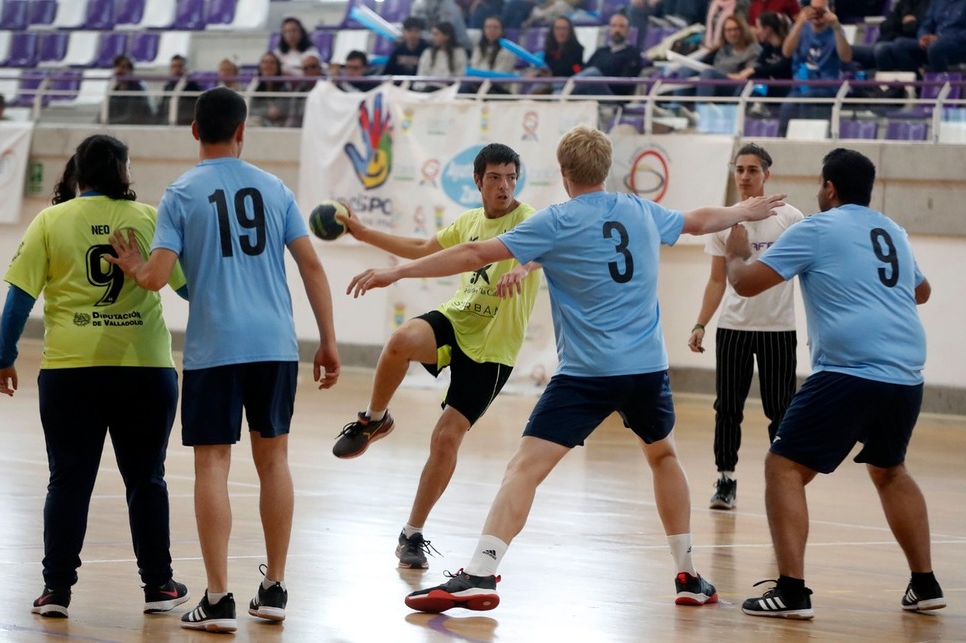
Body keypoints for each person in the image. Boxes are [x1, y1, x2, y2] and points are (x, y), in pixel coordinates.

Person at [347, 125, 786, 613]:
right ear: (606, 169)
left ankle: (481, 572)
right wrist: (741, 211)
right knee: (663, 457)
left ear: (563, 173)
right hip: (646, 370)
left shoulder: (555, 221)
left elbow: (473, 254)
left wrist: (396, 271)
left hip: (587, 373)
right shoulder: (639, 210)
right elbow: (698, 220)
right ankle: (687, 574)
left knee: (525, 468)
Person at [106, 87, 341, 632]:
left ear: (193, 130)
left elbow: (159, 278)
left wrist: (136, 266)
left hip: (217, 349)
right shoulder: (275, 187)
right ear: (243, 131)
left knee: (213, 464)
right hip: (276, 344)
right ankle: (276, 588)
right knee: (274, 461)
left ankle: (217, 598)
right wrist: (327, 339)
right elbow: (311, 267)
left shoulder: (182, 192)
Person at [726, 148, 944, 619]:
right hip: (905, 373)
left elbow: (745, 284)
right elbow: (922, 292)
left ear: (829, 188)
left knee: (782, 467)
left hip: (849, 370)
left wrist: (736, 257)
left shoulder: (817, 229)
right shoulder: (892, 230)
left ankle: (791, 591)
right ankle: (925, 585)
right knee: (890, 470)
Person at [0, 135, 190, 619]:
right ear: (123, 171)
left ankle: (56, 591)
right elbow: (189, 291)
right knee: (147, 480)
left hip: (69, 372)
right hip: (145, 369)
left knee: (67, 482)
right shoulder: (149, 218)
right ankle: (158, 586)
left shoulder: (49, 221)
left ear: (77, 172)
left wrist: (4, 357)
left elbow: (20, 297)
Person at [332, 144, 541, 570]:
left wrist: (524, 267)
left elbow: (544, 251)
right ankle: (375, 418)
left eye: (511, 177)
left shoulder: (530, 220)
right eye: (496, 178)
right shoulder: (468, 222)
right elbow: (422, 247)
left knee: (446, 438)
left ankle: (412, 534)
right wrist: (363, 233)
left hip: (493, 349)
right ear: (478, 181)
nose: (504, 186)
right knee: (400, 341)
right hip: (458, 319)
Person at [688, 143, 803, 510]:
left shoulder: (791, 218)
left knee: (780, 408)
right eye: (739, 169)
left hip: (778, 329)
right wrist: (701, 323)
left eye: (753, 170)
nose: (745, 176)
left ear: (766, 175)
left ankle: (782, 481)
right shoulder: (724, 221)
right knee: (727, 407)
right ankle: (726, 480)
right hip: (734, 328)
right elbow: (717, 281)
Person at [777, 0, 852, 137]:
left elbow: (846, 57)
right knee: (787, 106)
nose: (817, 14)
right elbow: (786, 52)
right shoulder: (801, 29)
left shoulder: (836, 31)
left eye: (821, 10)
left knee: (808, 99)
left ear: (831, 11)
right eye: (814, 9)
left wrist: (836, 27)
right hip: (800, 87)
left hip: (826, 87)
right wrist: (799, 23)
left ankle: (809, 139)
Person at [876, 0, 965, 73]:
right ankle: (916, 83)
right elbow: (926, 24)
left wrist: (942, 38)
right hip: (936, 41)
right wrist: (923, 36)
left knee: (934, 47)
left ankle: (941, 83)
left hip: (958, 43)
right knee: (899, 43)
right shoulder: (938, 2)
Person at [568, 12, 643, 96]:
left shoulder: (633, 54)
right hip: (590, 93)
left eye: (621, 26)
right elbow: (584, 71)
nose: (617, 30)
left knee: (593, 73)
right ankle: (563, 89)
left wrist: (599, 80)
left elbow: (625, 85)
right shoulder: (600, 51)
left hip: (613, 96)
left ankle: (564, 91)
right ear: (610, 30)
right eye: (614, 26)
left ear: (628, 31)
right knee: (588, 74)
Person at [851, 0, 930, 71]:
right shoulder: (903, 4)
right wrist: (901, 22)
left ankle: (884, 85)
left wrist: (900, 23)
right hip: (882, 42)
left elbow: (912, 28)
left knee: (881, 49)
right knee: (845, 50)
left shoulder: (928, 5)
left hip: (903, 45)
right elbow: (884, 26)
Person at [467, 15, 519, 93]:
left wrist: (480, 76)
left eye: (495, 27)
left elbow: (500, 76)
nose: (491, 30)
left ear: (502, 30)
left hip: (498, 88)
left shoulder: (508, 50)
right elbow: (474, 68)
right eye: (488, 27)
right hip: (478, 84)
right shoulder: (479, 48)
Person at [414, 22, 468, 92]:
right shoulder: (428, 53)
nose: (433, 37)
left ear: (446, 36)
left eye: (436, 34)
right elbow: (422, 74)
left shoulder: (459, 52)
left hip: (449, 90)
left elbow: (460, 74)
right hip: (428, 88)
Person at [156, 54, 204, 126]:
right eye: (173, 67)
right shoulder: (168, 86)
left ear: (185, 68)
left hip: (185, 125)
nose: (176, 69)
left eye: (179, 66)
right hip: (166, 124)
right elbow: (162, 107)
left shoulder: (193, 86)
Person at [106, 55, 154, 125]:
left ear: (130, 70)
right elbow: (105, 113)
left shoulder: (137, 89)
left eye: (123, 67)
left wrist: (108, 123)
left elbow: (131, 117)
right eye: (117, 66)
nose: (119, 70)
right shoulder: (114, 90)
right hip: (117, 126)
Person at [251, 52, 293, 127]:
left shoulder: (285, 86)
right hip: (259, 123)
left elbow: (284, 109)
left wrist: (276, 111)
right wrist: (267, 111)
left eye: (272, 62)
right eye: (265, 62)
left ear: (277, 67)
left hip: (281, 124)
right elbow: (251, 110)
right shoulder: (255, 85)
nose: (268, 65)